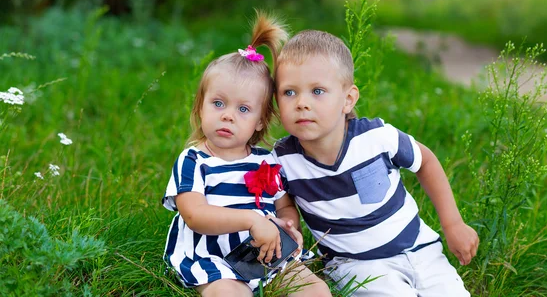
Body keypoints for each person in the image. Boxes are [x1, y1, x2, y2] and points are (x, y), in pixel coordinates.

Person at [273, 30, 479, 296]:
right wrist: (290, 225)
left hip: (419, 250)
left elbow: (425, 161)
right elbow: (284, 202)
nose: (302, 103)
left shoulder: (376, 138)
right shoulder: (283, 159)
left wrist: (453, 224)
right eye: (289, 92)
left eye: (318, 91)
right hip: (356, 265)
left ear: (348, 99)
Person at [162, 15, 331, 297]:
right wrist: (252, 220)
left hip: (266, 252)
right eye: (218, 103)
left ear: (261, 121)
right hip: (212, 257)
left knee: (315, 291)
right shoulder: (193, 161)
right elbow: (195, 215)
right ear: (200, 108)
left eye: (243, 109)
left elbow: (284, 207)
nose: (227, 115)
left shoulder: (266, 161)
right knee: (231, 294)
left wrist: (289, 227)